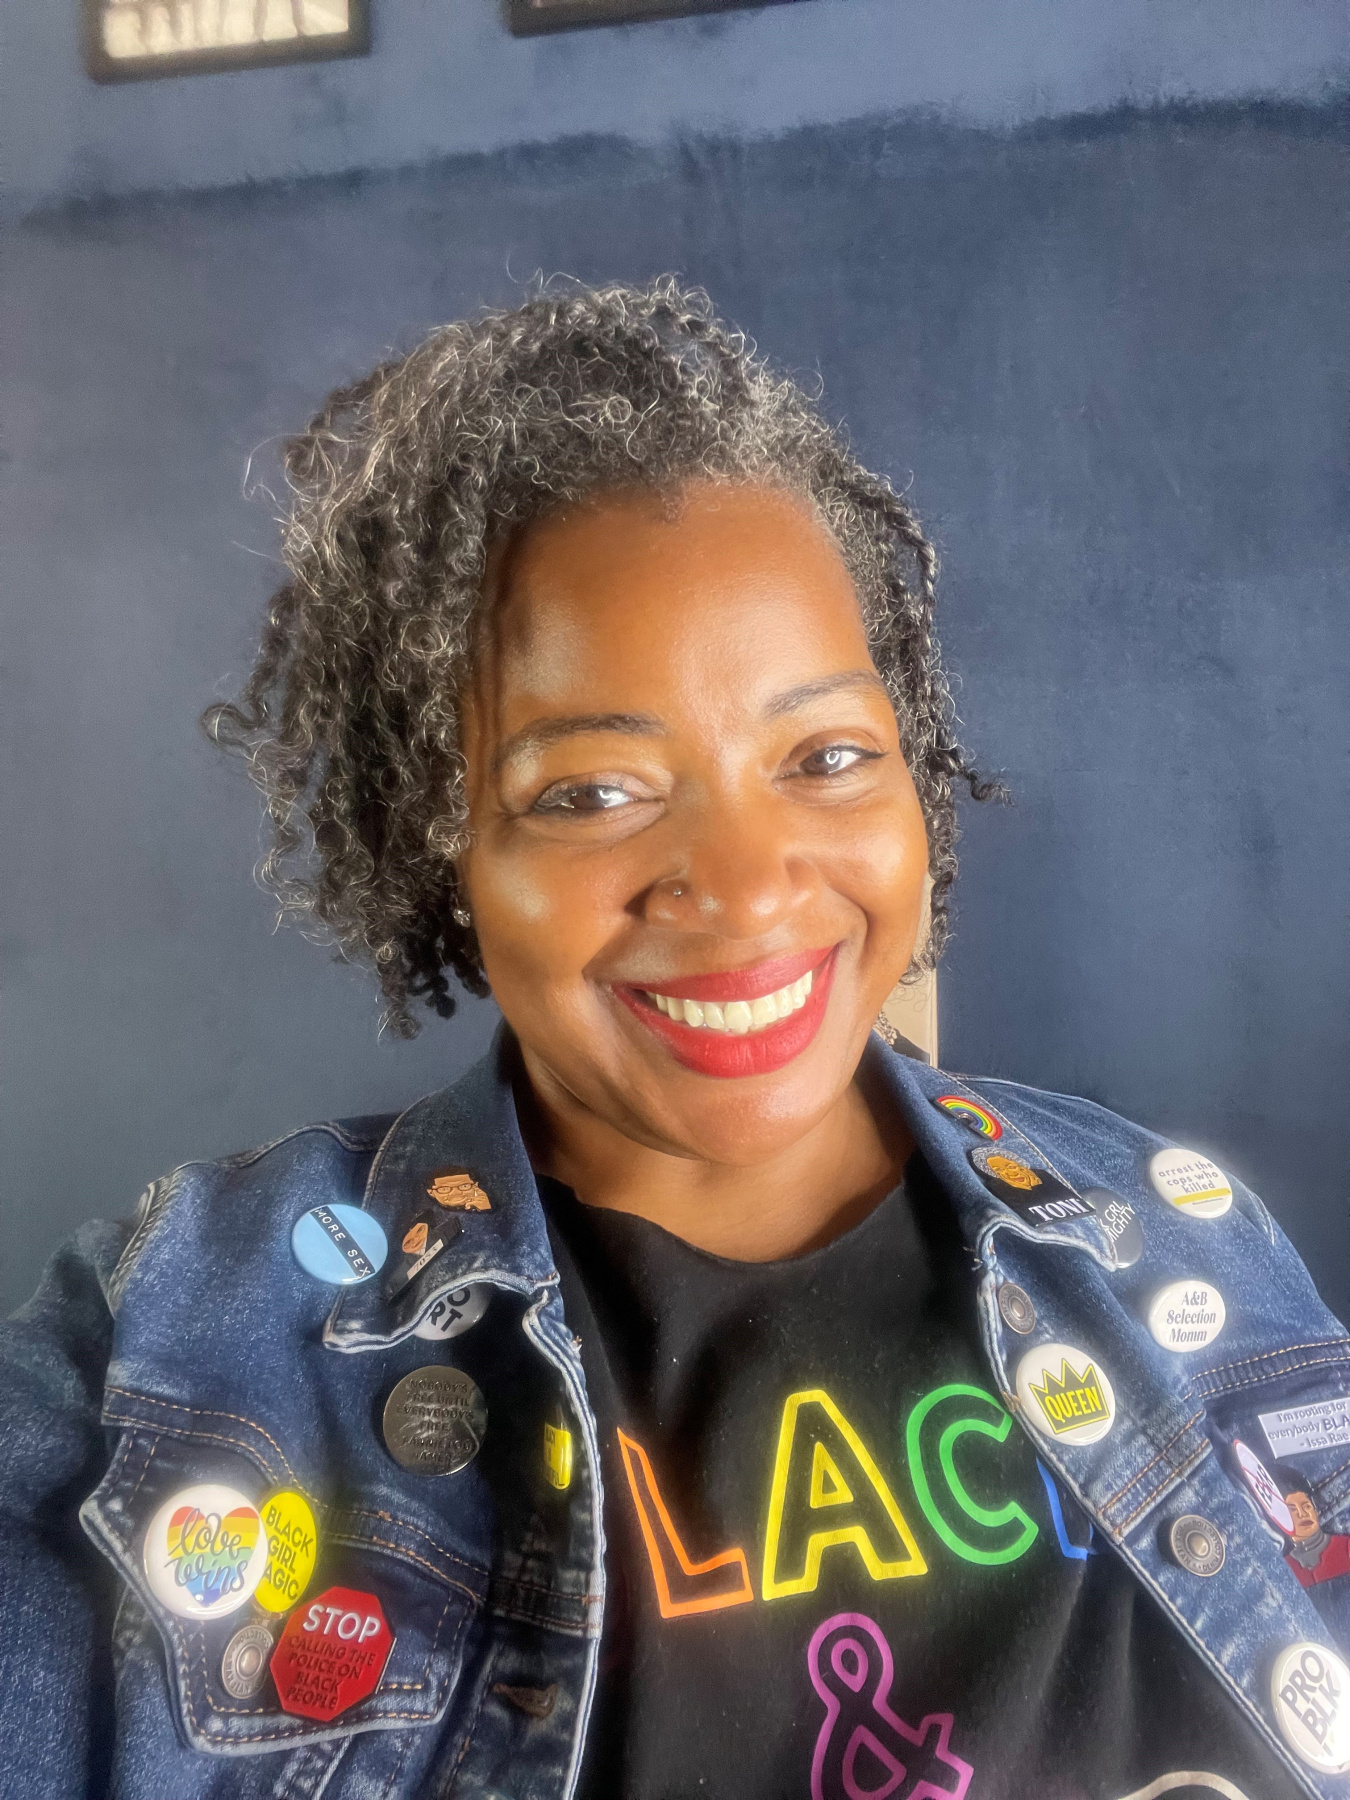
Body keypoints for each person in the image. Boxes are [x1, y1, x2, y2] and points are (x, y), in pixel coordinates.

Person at [3, 279, 1348, 1800]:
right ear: (445, 850)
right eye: (588, 793)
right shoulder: (175, 1342)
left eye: (825, 757)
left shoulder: (1185, 1247)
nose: (747, 880)